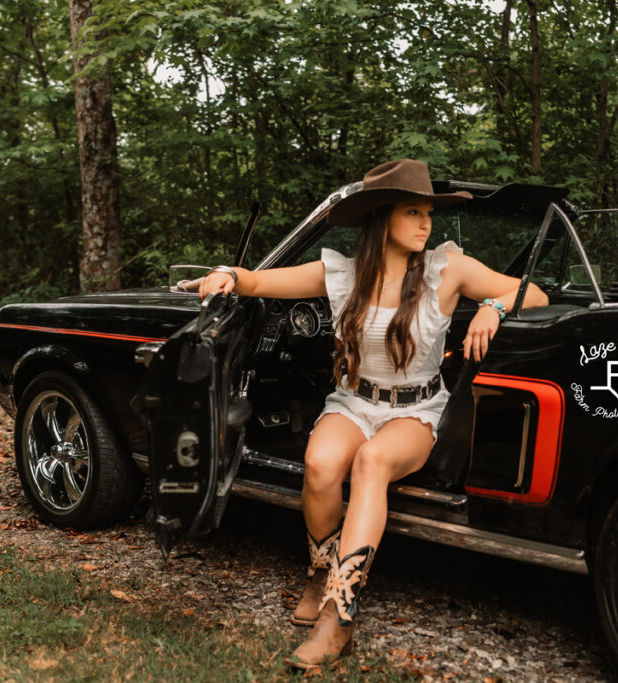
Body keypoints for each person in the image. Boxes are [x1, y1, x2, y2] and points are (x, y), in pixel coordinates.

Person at [198, 159, 549, 670]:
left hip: (417, 410)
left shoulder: (448, 269)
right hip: (354, 401)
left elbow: (532, 293)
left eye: (428, 213)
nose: (426, 224)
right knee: (320, 465)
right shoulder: (340, 273)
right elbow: (257, 283)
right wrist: (227, 274)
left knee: (371, 464)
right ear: (382, 217)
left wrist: (493, 308)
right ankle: (321, 570)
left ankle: (339, 614)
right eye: (413, 212)